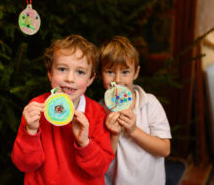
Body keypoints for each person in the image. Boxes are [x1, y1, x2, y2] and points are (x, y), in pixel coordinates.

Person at [11, 35, 114, 185]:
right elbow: (24, 164)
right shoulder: (35, 109)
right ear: (50, 73)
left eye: (80, 72)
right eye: (62, 69)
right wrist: (31, 131)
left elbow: (100, 168)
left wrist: (85, 142)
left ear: (90, 79)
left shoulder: (97, 113)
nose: (70, 78)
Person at [99, 36, 172, 185]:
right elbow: (101, 160)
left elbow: (165, 149)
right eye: (110, 72)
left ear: (136, 73)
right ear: (100, 74)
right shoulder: (99, 109)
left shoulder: (149, 103)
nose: (118, 80)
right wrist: (114, 134)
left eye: (125, 72)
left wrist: (133, 131)